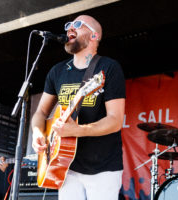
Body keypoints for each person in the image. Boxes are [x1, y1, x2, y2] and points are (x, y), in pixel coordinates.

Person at [31, 15, 126, 200]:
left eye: (77, 25)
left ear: (94, 36)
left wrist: (77, 130)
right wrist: (37, 133)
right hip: (65, 166)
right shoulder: (57, 71)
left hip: (102, 168)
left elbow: (115, 120)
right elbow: (41, 112)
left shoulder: (109, 68)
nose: (69, 29)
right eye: (68, 25)